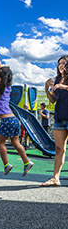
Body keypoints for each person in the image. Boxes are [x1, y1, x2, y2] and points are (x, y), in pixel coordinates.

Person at [0, 49, 34, 176]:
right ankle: (27, 162)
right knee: (15, 143)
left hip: (6, 120)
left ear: (1, 76)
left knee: (0, 143)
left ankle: (6, 165)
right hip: (14, 119)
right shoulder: (7, 86)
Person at [41, 55, 68, 187]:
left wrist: (63, 86)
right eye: (59, 64)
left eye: (63, 63)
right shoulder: (57, 79)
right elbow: (53, 100)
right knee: (59, 149)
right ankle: (55, 178)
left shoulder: (62, 82)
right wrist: (47, 89)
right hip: (60, 117)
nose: (60, 65)